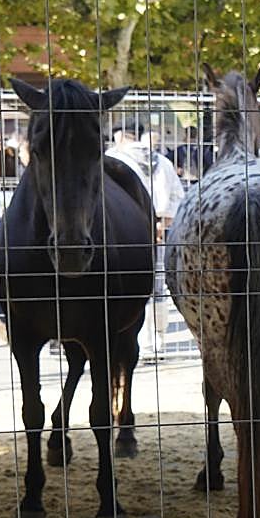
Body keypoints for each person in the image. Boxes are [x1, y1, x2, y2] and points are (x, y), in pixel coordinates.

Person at [107, 120, 185, 359]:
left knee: (126, 286)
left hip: (125, 233)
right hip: (159, 230)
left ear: (120, 135)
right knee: (157, 286)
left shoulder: (112, 159)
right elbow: (178, 197)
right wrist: (162, 222)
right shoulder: (163, 161)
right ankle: (157, 342)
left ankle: (133, 341)